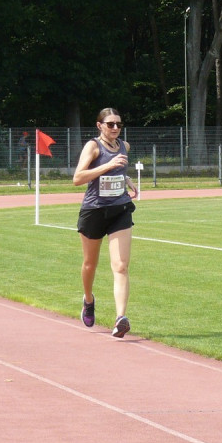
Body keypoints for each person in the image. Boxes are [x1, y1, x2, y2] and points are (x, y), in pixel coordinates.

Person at [73, 107, 138, 338]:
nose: (115, 128)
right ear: (99, 125)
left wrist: (126, 179)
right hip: (94, 211)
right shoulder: (93, 146)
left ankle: (121, 318)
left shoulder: (124, 146)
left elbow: (119, 172)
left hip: (119, 209)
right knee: (90, 264)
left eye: (118, 124)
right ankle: (88, 300)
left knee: (121, 266)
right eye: (110, 124)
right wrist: (107, 166)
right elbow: (77, 178)